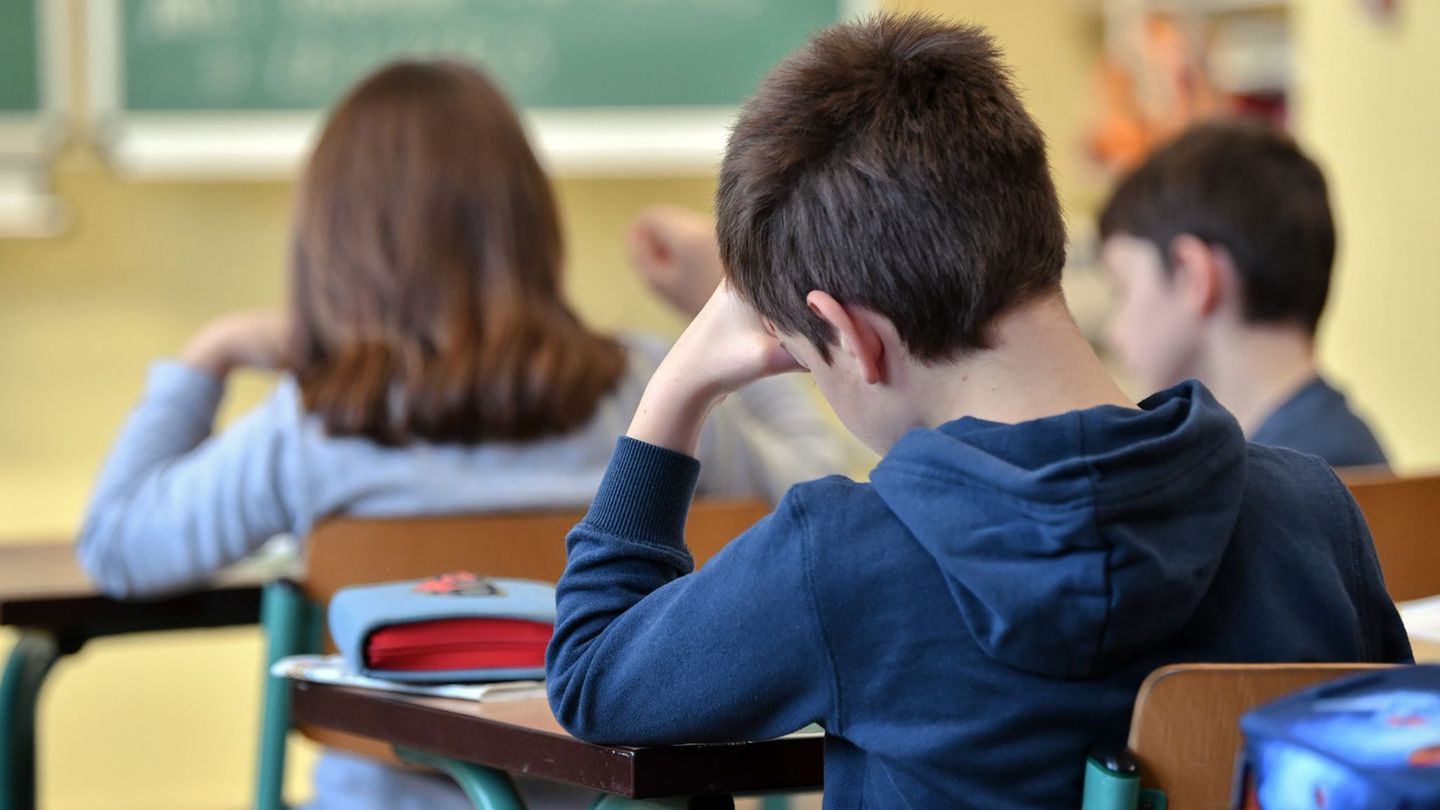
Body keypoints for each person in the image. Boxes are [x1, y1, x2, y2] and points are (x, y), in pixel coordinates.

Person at [545, 16, 1412, 809]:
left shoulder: (843, 559)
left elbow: (589, 675)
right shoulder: (1314, 517)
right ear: (1040, 229)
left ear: (854, 339)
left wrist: (678, 385)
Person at [77, 60, 846, 809]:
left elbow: (118, 545)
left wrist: (205, 359)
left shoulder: (310, 425)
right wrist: (726, 305)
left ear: (333, 243)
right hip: (615, 799)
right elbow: (809, 494)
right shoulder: (651, 395)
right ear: (529, 222)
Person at [1099, 120, 1388, 469]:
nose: (1113, 333)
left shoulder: (1298, 479)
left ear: (1193, 275)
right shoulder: (1326, 446)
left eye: (1123, 290)